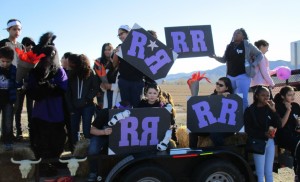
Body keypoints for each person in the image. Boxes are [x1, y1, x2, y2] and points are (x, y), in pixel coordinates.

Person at [210, 28, 263, 110]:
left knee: (242, 98)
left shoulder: (247, 45)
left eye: (238, 33)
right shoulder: (229, 46)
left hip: (243, 75)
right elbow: (224, 60)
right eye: (234, 33)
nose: (235, 34)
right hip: (230, 76)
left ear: (243, 36)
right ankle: (234, 119)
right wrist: (214, 57)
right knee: (230, 97)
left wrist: (253, 64)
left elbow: (260, 55)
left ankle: (245, 119)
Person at [87, 101, 131, 182]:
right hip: (101, 136)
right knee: (92, 150)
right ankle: (93, 172)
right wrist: (103, 132)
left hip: (118, 138)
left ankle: (123, 171)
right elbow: (92, 130)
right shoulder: (105, 112)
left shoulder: (130, 116)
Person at [244, 86, 281, 182]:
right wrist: (263, 134)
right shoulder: (250, 110)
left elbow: (279, 125)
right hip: (258, 142)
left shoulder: (269, 108)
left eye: (268, 95)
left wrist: (274, 110)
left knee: (269, 171)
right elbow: (248, 130)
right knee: (260, 173)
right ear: (256, 96)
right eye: (263, 95)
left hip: (270, 142)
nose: (266, 98)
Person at [189, 77, 234, 148]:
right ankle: (192, 152)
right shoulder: (212, 96)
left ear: (227, 88)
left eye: (221, 85)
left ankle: (222, 153)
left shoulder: (232, 98)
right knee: (193, 131)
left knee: (214, 134)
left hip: (225, 127)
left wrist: (229, 97)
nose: (218, 86)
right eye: (217, 83)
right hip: (212, 126)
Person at [66, 54, 99, 146]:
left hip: (87, 106)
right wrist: (70, 107)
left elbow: (95, 87)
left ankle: (90, 149)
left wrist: (87, 99)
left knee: (87, 131)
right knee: (74, 130)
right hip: (74, 107)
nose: (70, 64)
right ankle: (76, 150)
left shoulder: (90, 72)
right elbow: (67, 93)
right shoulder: (70, 74)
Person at [112, 25, 145, 108]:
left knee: (137, 106)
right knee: (125, 106)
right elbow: (114, 64)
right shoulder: (119, 47)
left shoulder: (140, 46)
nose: (120, 36)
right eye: (118, 35)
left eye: (121, 34)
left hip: (137, 81)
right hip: (124, 81)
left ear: (129, 33)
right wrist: (116, 53)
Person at [274, 86, 300, 178]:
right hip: (283, 137)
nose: (292, 97)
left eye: (293, 94)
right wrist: (288, 110)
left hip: (295, 134)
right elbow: (281, 125)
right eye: (289, 95)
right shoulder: (277, 106)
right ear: (282, 96)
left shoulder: (296, 106)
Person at [14, 37, 35, 141]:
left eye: (31, 44)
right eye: (27, 44)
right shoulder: (18, 56)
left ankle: (32, 132)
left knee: (31, 110)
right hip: (19, 86)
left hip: (30, 87)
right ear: (23, 46)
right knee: (18, 109)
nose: (30, 46)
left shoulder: (34, 57)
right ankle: (19, 132)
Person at [0, 46, 17, 151]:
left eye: (8, 62)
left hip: (8, 100)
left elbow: (17, 82)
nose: (5, 64)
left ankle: (8, 141)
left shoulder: (14, 69)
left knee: (8, 122)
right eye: (2, 61)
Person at [94, 43, 120, 109]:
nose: (107, 51)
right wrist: (100, 87)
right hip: (102, 91)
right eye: (105, 50)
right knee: (103, 111)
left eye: (109, 49)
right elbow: (97, 78)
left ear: (112, 50)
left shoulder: (117, 60)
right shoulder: (98, 61)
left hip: (116, 90)